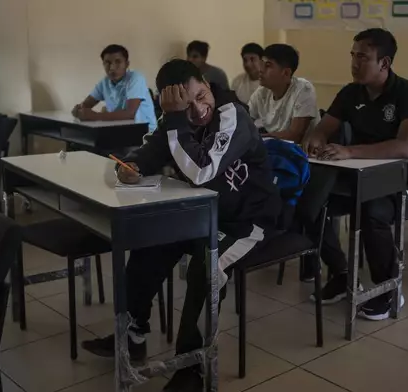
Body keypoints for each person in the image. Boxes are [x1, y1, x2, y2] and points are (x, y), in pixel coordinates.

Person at [81, 59, 282, 392]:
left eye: (201, 96)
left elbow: (201, 170)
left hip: (246, 222)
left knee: (207, 266)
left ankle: (193, 365)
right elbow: (152, 149)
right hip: (200, 215)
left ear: (205, 82)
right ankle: (134, 334)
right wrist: (131, 165)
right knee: (150, 243)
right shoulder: (173, 119)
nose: (198, 110)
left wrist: (176, 116)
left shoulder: (234, 116)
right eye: (185, 106)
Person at [301, 28, 408, 320]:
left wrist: (350, 152)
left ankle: (389, 291)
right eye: (353, 55)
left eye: (363, 57)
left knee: (373, 211)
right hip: (361, 179)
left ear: (384, 63)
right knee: (311, 202)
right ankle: (342, 272)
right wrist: (317, 138)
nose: (354, 63)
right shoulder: (350, 92)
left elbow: (406, 147)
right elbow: (325, 127)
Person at [72, 44, 157, 133]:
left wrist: (95, 116)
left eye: (118, 62)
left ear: (127, 64)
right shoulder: (104, 82)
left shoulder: (135, 78)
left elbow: (130, 113)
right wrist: (78, 110)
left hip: (146, 134)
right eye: (107, 63)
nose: (112, 68)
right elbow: (85, 105)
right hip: (118, 131)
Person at [248, 44, 319, 143]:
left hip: (302, 154)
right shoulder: (260, 93)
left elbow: (294, 136)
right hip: (274, 149)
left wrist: (258, 137)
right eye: (261, 64)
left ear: (286, 73)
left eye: (268, 65)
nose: (260, 70)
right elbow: (243, 124)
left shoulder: (304, 89)